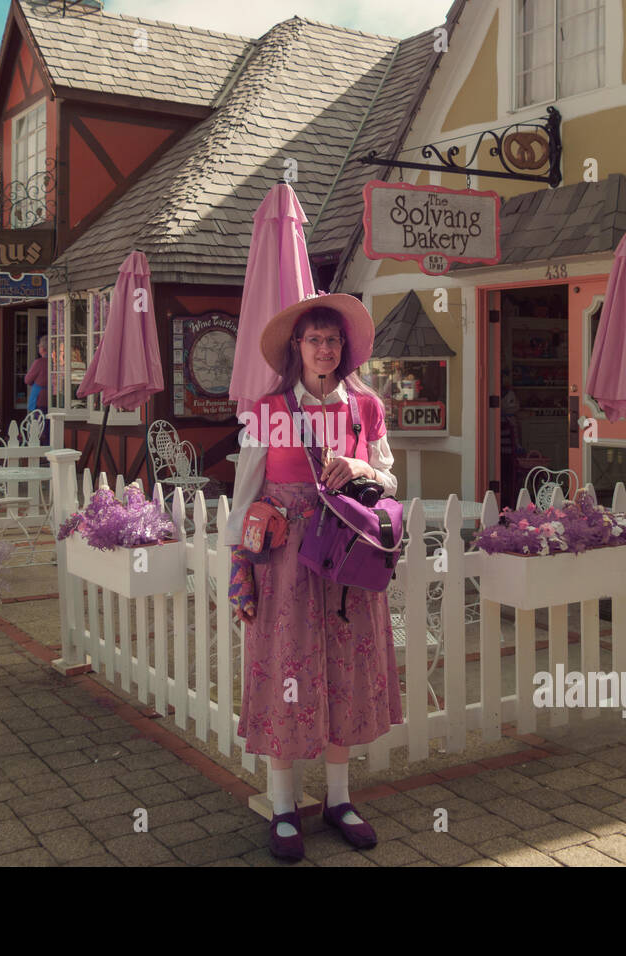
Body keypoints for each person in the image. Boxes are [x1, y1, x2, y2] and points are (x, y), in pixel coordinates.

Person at [225, 293, 403, 862]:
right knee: (287, 667)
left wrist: (362, 467)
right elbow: (245, 494)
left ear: (343, 348)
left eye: (332, 340)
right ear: (296, 348)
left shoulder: (366, 406)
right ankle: (282, 805)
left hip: (348, 558)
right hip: (284, 561)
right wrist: (239, 570)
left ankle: (339, 800)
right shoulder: (267, 409)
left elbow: (390, 484)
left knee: (344, 668)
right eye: (314, 339)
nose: (325, 349)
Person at [25, 335, 48, 412]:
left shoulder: (39, 362)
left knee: (37, 421)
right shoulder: (56, 362)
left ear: (43, 348)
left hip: (39, 399)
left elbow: (27, 380)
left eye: (39, 345)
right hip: (53, 399)